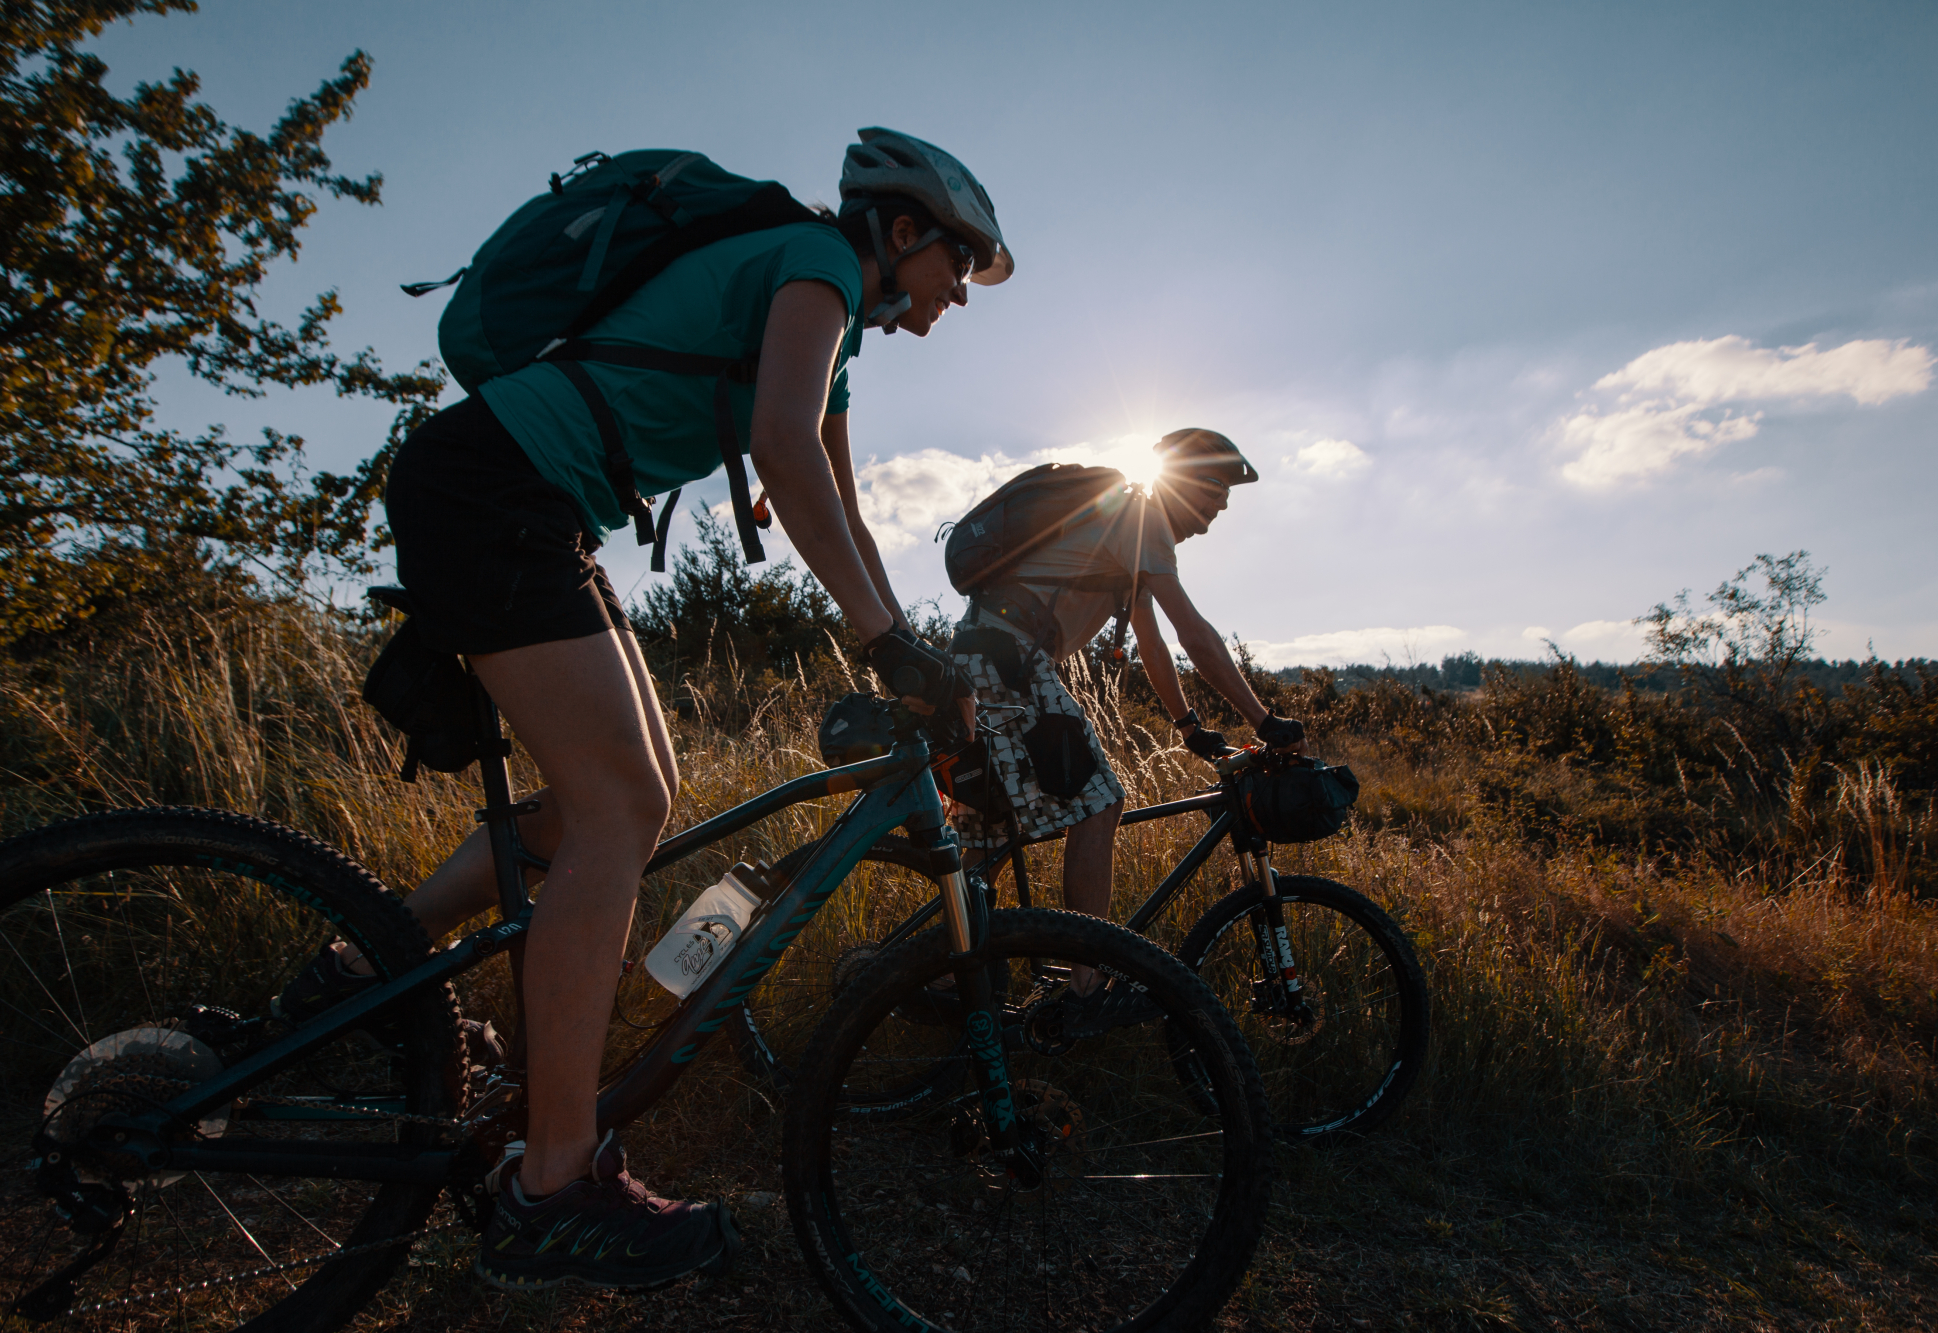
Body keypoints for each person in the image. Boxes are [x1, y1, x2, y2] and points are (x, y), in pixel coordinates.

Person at [273, 128, 1000, 1292]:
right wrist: (884, 643)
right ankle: (550, 1189)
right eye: (955, 266)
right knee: (621, 807)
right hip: (499, 486)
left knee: (611, 805)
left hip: (526, 498)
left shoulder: (833, 335)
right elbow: (778, 450)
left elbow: (841, 513)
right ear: (903, 230)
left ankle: (364, 974)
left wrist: (905, 647)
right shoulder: (813, 261)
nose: (954, 296)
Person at [945, 428, 1308, 1035]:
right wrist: (1263, 720)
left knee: (989, 836)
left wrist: (1189, 726)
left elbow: (1152, 640)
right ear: (1190, 482)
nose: (1215, 518)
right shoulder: (1142, 518)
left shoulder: (1124, 532)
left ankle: (936, 977)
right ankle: (1087, 988)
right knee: (1101, 804)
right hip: (1009, 660)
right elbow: (1193, 631)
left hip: (979, 661)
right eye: (1215, 499)